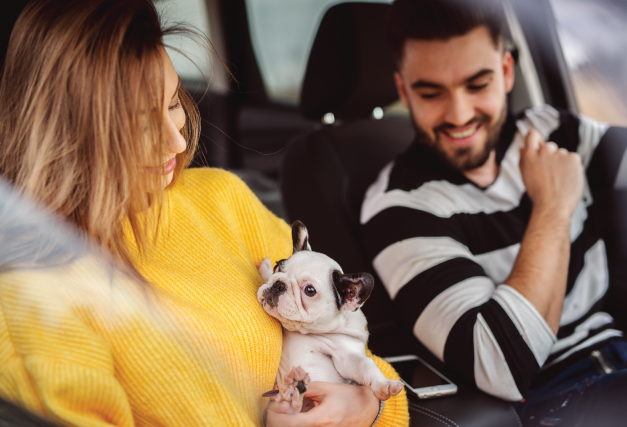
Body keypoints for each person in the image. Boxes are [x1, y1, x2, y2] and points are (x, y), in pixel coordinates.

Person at [0, 1, 409, 426]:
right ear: (64, 131)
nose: (176, 142)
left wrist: (369, 408)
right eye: (139, 124)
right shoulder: (31, 292)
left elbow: (349, 343)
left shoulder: (224, 199)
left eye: (174, 101)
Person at [360, 0, 627, 424]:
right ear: (403, 90)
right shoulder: (398, 208)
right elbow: (502, 365)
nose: (459, 115)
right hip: (550, 401)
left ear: (505, 72)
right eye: (431, 93)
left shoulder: (554, 131)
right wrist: (554, 206)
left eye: (477, 84)